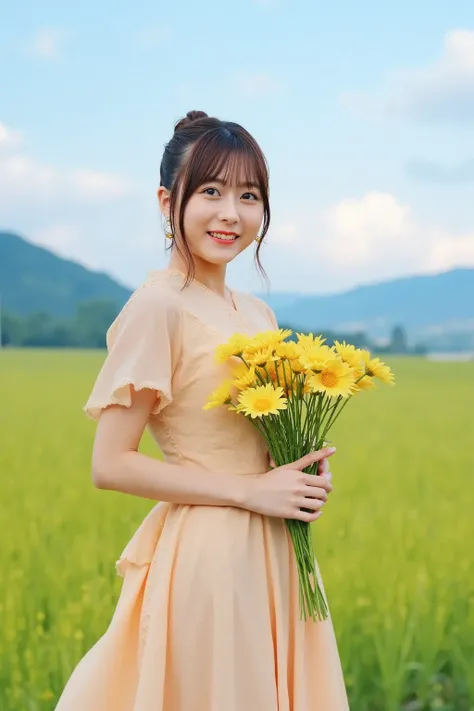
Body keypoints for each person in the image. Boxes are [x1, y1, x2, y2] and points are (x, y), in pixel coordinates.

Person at [54, 110, 349, 711]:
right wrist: (250, 492)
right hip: (210, 555)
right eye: (210, 191)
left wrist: (297, 472)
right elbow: (110, 463)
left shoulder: (258, 315)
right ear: (168, 202)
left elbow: (252, 440)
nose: (230, 214)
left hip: (276, 552)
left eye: (249, 195)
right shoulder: (157, 308)